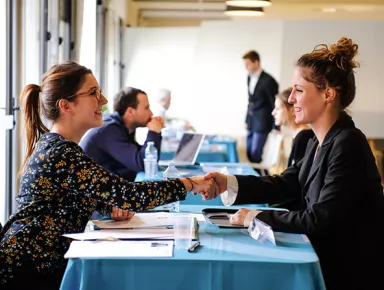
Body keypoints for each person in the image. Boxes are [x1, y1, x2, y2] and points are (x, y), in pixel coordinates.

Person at [0, 61, 216, 289]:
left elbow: (68, 199)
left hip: (37, 262)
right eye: (94, 93)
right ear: (67, 106)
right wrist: (190, 184)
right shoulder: (61, 152)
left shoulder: (59, 147)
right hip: (28, 270)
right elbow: (129, 195)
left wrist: (108, 207)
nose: (103, 100)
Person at [205, 37, 384, 289]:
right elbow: (286, 184)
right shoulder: (314, 140)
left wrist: (256, 216)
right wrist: (228, 184)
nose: (291, 100)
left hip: (348, 271)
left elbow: (320, 219)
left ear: (328, 94)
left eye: (299, 90)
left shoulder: (348, 144)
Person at [79, 87, 164, 181]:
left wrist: (155, 132)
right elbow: (143, 164)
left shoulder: (122, 127)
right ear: (130, 111)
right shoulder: (109, 129)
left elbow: (145, 157)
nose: (151, 113)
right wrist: (153, 132)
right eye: (146, 108)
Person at [243, 50, 279, 163]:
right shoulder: (249, 77)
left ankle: (256, 179)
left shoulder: (269, 80)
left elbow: (274, 103)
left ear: (256, 62)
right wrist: (246, 119)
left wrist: (276, 126)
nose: (246, 67)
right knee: (248, 152)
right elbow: (250, 101)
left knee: (255, 153)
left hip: (263, 122)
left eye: (248, 64)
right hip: (251, 121)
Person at [272, 87, 314, 167]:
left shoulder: (303, 137)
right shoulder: (299, 135)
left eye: (277, 108)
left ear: (292, 110)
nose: (273, 113)